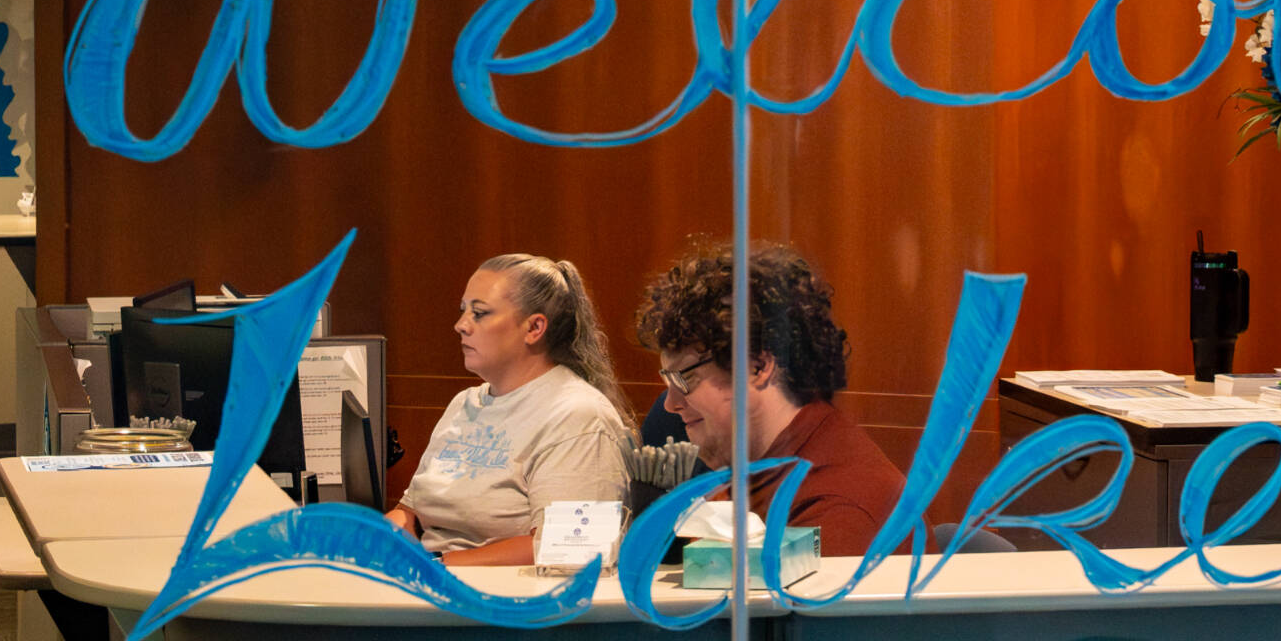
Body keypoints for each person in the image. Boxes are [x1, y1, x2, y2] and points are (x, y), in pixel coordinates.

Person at [636, 243, 906, 557]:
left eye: (684, 378)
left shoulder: (837, 511)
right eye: (667, 380)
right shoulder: (759, 469)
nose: (670, 403)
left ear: (758, 366)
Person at [387, 254, 634, 565]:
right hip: (432, 582)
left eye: (480, 313)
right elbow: (412, 511)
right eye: (464, 311)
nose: (461, 325)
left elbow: (570, 550)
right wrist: (384, 535)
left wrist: (434, 566)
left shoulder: (579, 416)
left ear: (534, 328)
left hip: (506, 603)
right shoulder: (465, 403)